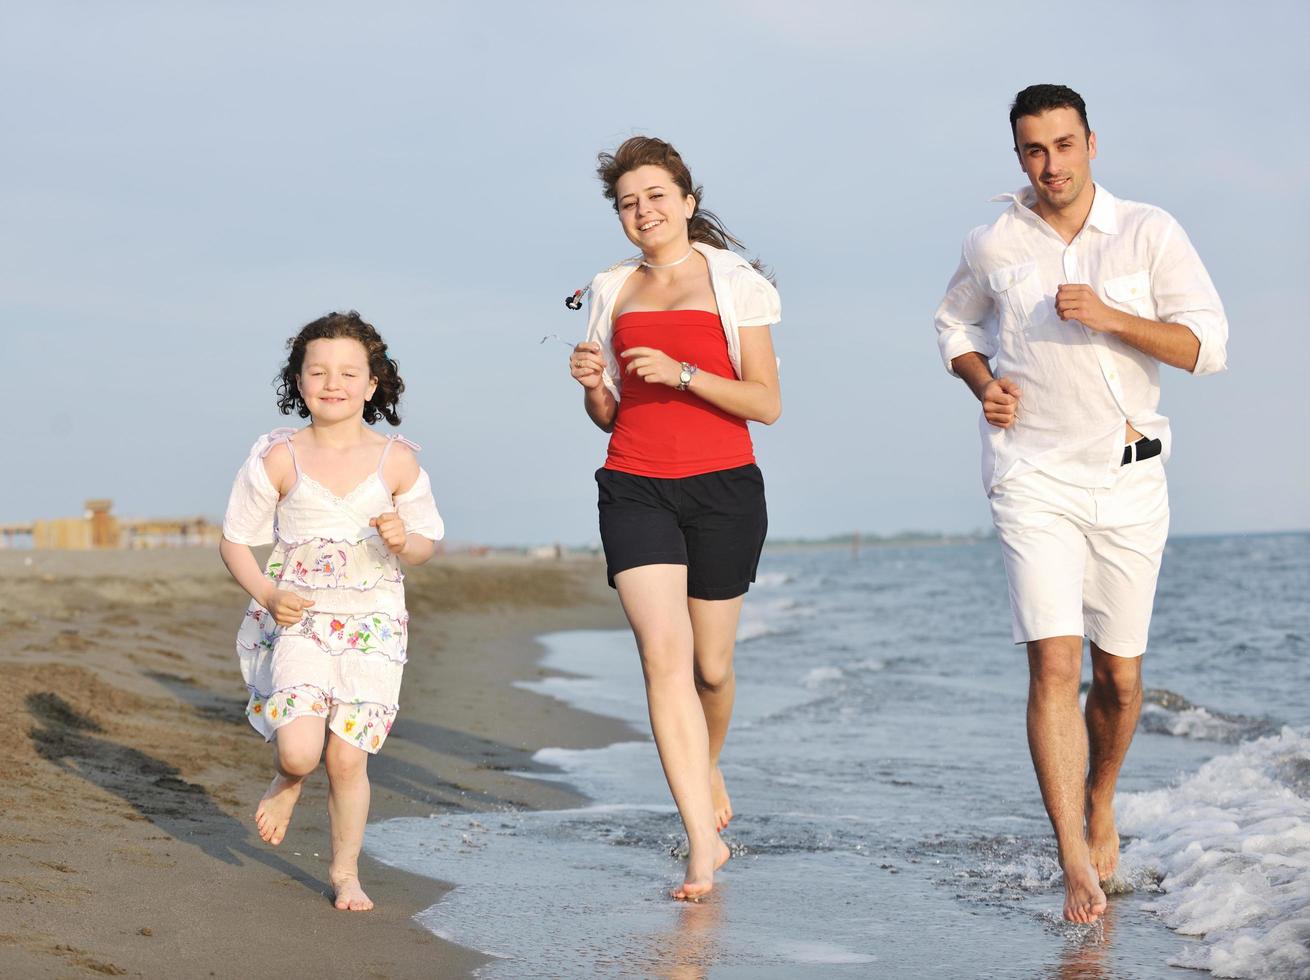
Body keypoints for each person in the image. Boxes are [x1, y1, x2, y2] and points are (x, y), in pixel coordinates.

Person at [933, 84, 1228, 924]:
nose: (1049, 164)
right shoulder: (992, 240)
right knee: (1054, 665)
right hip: (1031, 474)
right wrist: (983, 382)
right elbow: (955, 326)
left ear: (1092, 143)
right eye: (1033, 149)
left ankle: (1103, 796)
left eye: (1064, 146)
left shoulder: (1148, 231)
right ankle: (1073, 857)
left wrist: (1111, 315)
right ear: (1017, 155)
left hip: (1130, 476)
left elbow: (1208, 346)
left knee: (1121, 678)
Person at [566, 136, 781, 900]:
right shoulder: (610, 289)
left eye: (656, 195)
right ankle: (699, 844)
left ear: (687, 201)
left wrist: (686, 374)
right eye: (628, 202)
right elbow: (609, 416)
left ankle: (707, 760)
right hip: (635, 485)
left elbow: (766, 403)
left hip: (724, 486)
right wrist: (595, 386)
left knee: (710, 668)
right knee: (664, 657)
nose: (643, 211)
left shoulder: (735, 283)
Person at [219, 311, 444, 911]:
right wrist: (267, 596)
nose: (332, 382)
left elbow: (425, 544)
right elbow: (235, 540)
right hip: (302, 618)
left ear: (373, 385)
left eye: (348, 372)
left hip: (373, 623)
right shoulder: (279, 457)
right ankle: (288, 779)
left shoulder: (396, 460)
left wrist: (403, 540)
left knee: (347, 758)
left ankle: (345, 872)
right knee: (300, 750)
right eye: (317, 371)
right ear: (298, 380)